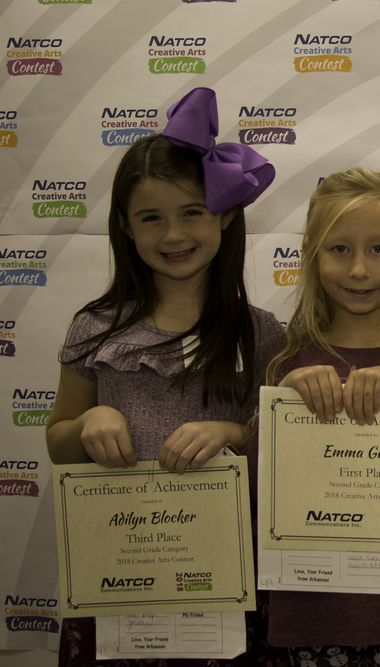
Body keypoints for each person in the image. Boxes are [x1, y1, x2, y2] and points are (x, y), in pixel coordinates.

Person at [45, 88, 286, 666]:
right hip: (116, 575)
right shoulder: (94, 327)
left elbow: (279, 447)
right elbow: (57, 442)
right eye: (151, 218)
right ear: (125, 228)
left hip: (220, 577)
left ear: (225, 216)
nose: (173, 235)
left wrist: (232, 434)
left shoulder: (262, 333)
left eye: (192, 213)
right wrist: (88, 423)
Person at [243, 166, 380, 666]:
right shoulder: (287, 357)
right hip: (306, 608)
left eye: (378, 249)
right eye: (339, 249)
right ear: (312, 257)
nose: (359, 269)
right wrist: (283, 401)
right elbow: (257, 487)